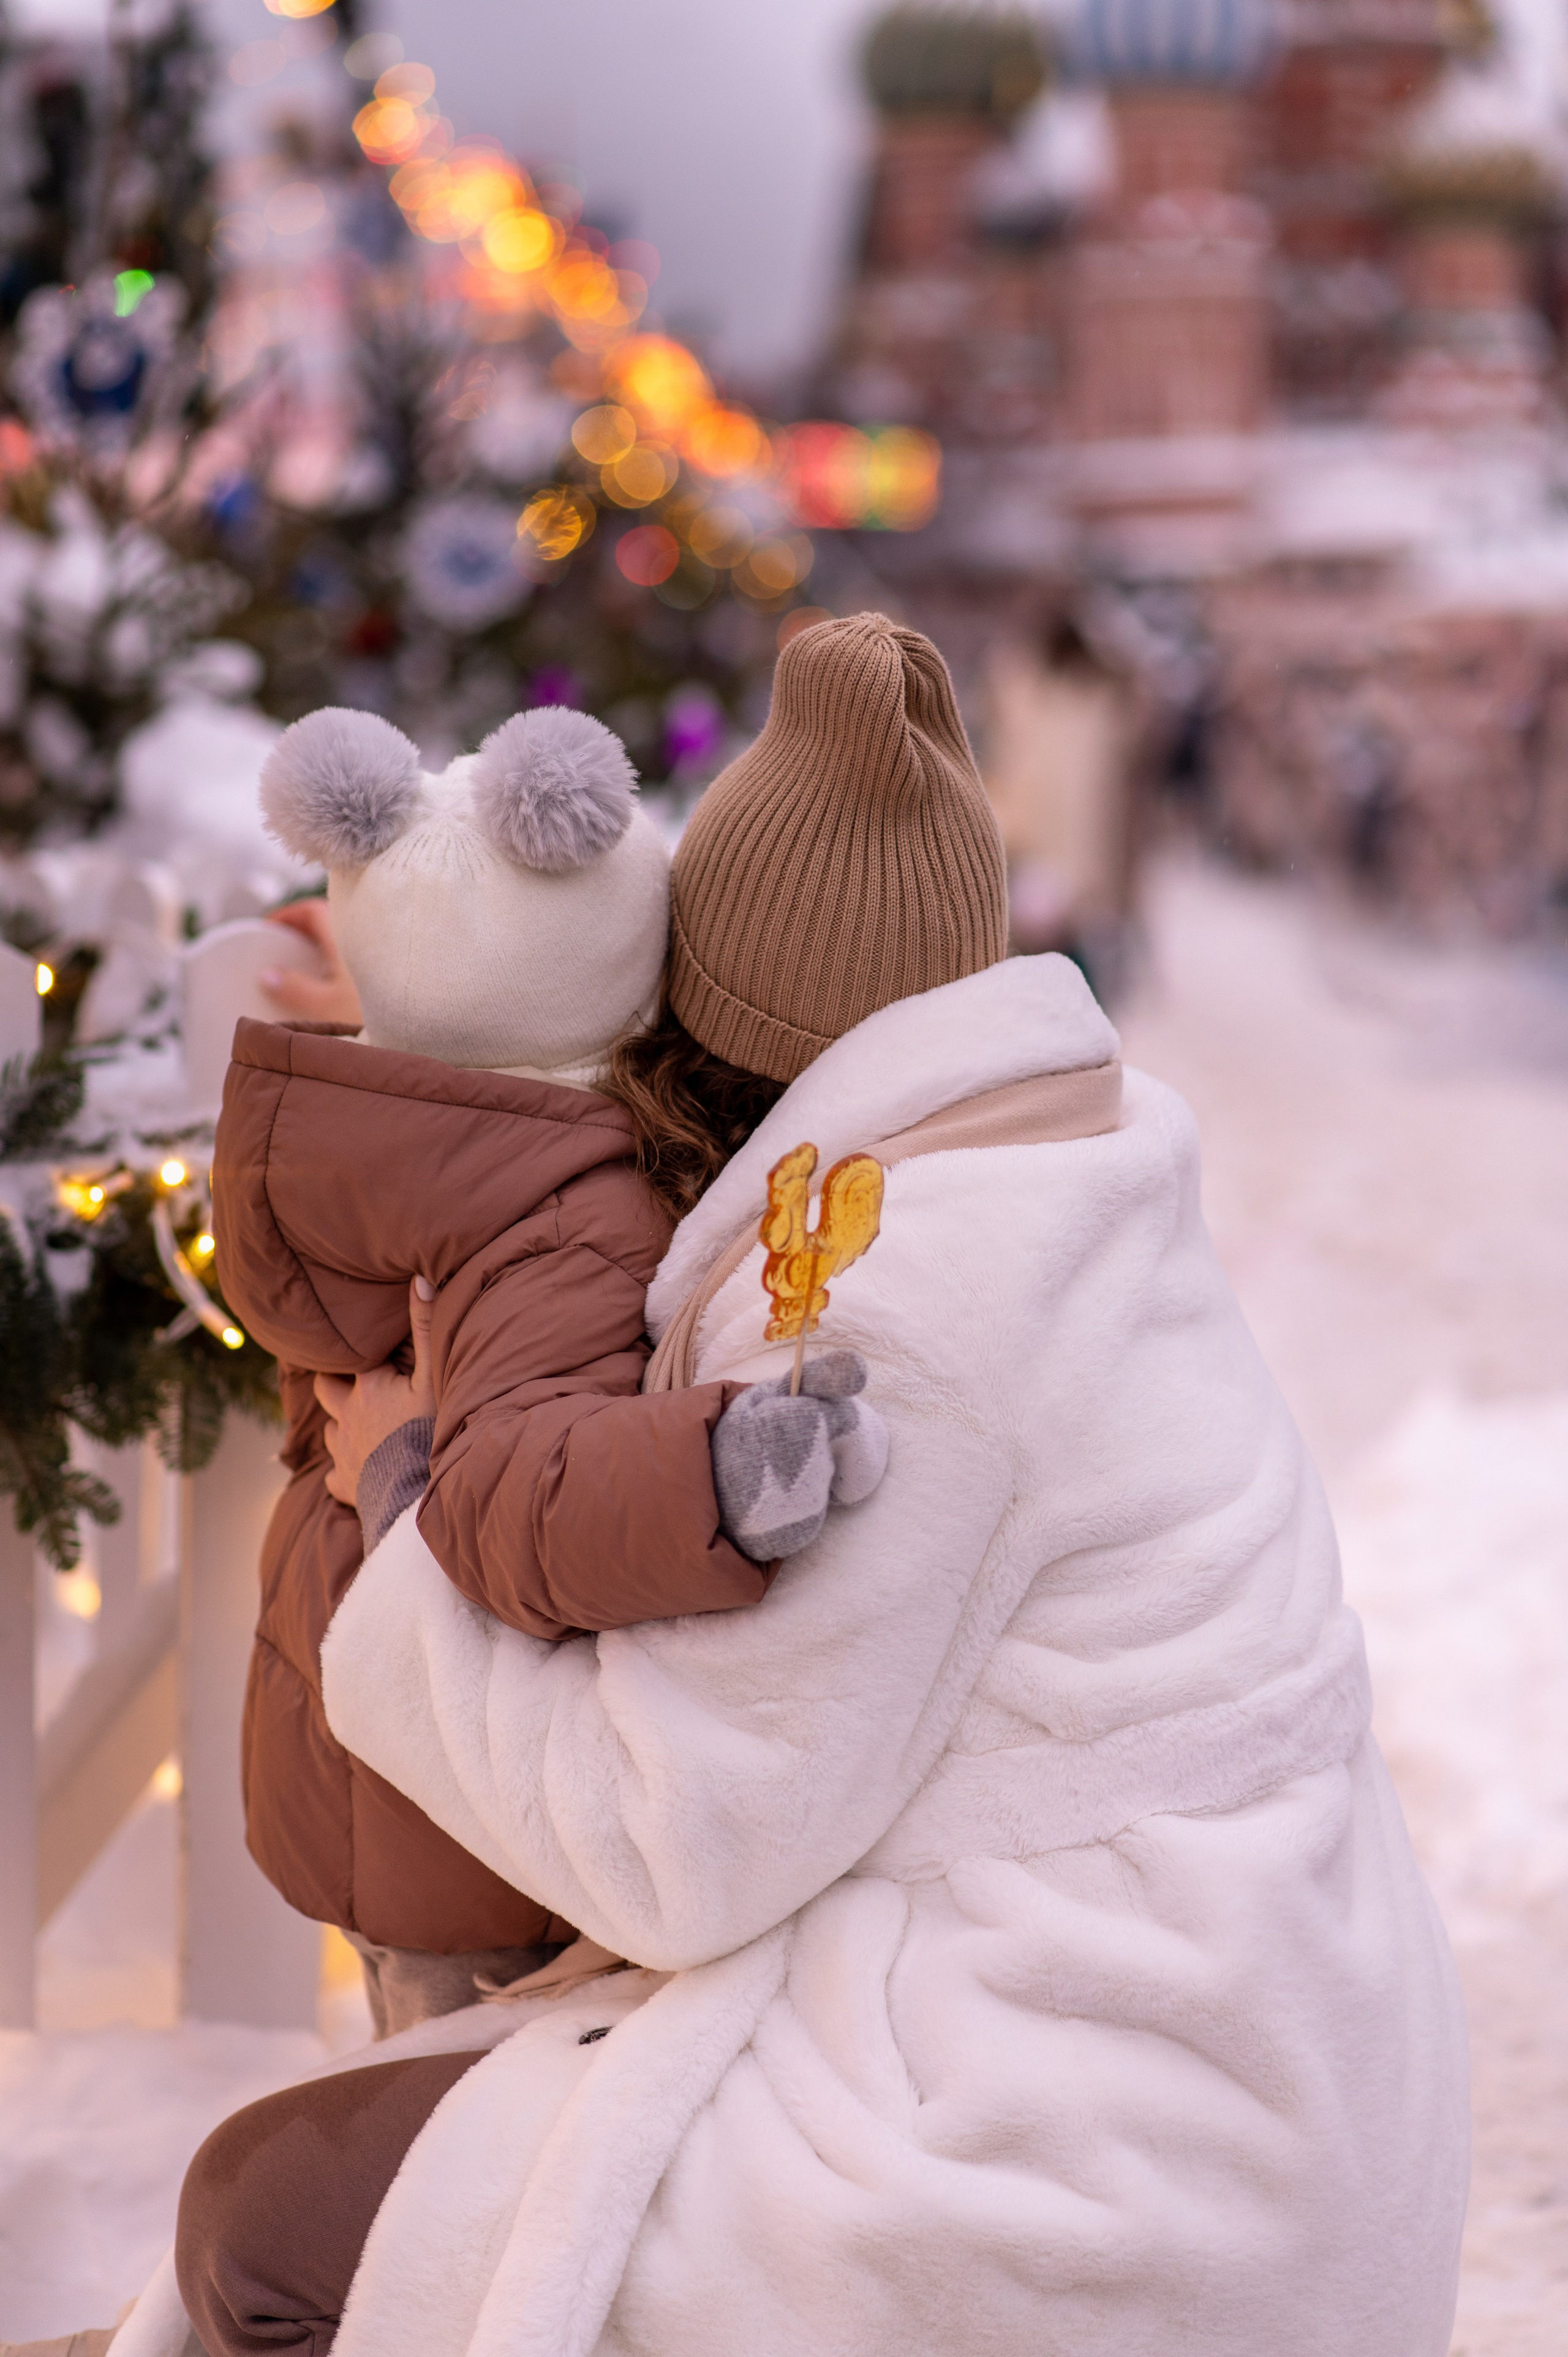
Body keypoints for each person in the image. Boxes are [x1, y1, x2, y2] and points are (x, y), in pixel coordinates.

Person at [100, 614, 1463, 2357]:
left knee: (271, 2229)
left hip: (1086, 2150)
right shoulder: (1059, 1177)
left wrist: (411, 1515)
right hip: (1243, 2059)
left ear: (733, 1038)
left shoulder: (895, 1304)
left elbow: (670, 1848)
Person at [211, 700, 886, 2040]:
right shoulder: (560, 1209)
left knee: (417, 2073)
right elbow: (518, 1485)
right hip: (464, 1820)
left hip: (381, 1763)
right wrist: (716, 1466)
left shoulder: (388, 1139)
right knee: (456, 2134)